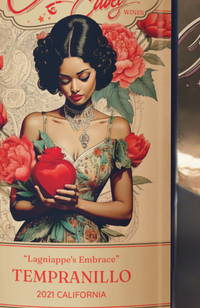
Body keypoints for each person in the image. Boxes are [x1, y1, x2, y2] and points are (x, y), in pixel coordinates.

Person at [12, 14, 136, 243]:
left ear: (99, 69)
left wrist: (77, 204)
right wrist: (46, 205)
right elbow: (17, 207)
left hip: (88, 249)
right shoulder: (36, 124)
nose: (75, 88)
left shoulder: (117, 129)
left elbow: (125, 211)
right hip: (36, 246)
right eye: (65, 80)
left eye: (83, 77)